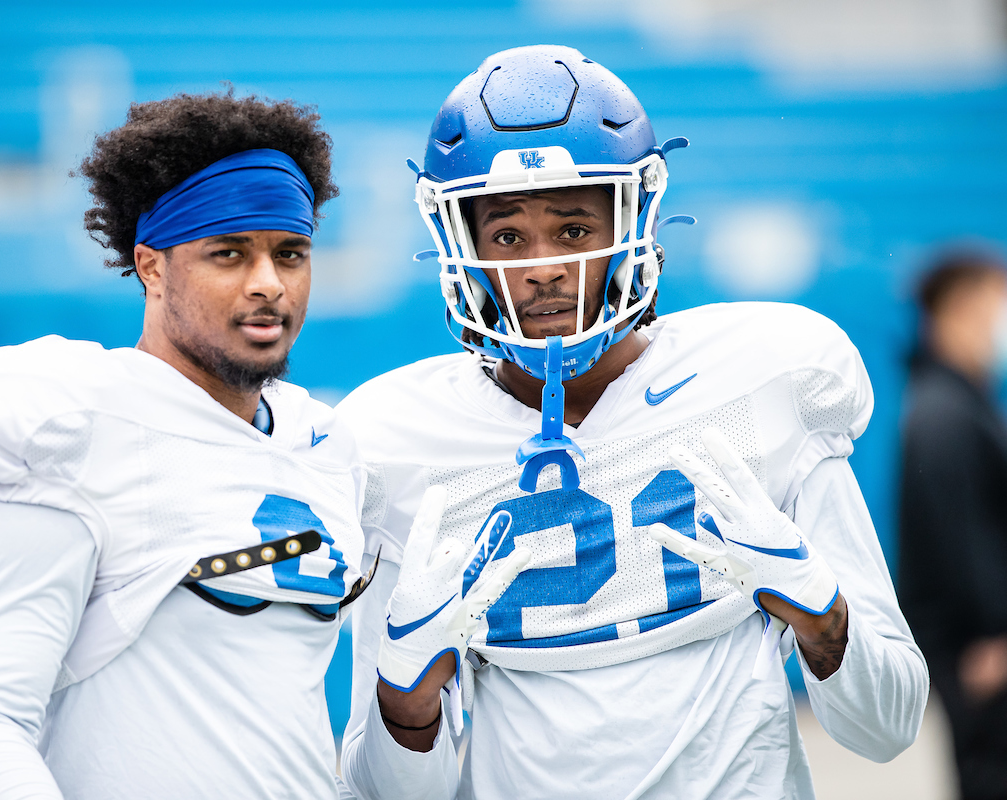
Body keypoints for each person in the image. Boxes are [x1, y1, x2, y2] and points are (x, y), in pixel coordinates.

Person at [338, 45, 928, 799]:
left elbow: (888, 727)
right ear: (463, 246)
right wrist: (406, 704)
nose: (543, 267)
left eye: (574, 230)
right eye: (508, 236)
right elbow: (381, 792)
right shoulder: (395, 444)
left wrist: (824, 619)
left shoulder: (763, 382)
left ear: (635, 221)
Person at [0, 91, 367, 799]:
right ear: (152, 266)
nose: (269, 285)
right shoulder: (76, 425)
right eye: (229, 254)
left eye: (290, 254)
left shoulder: (326, 444)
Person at [899, 251, 1007, 800]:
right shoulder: (943, 415)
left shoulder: (961, 402)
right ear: (963, 308)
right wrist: (993, 634)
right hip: (982, 656)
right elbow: (961, 540)